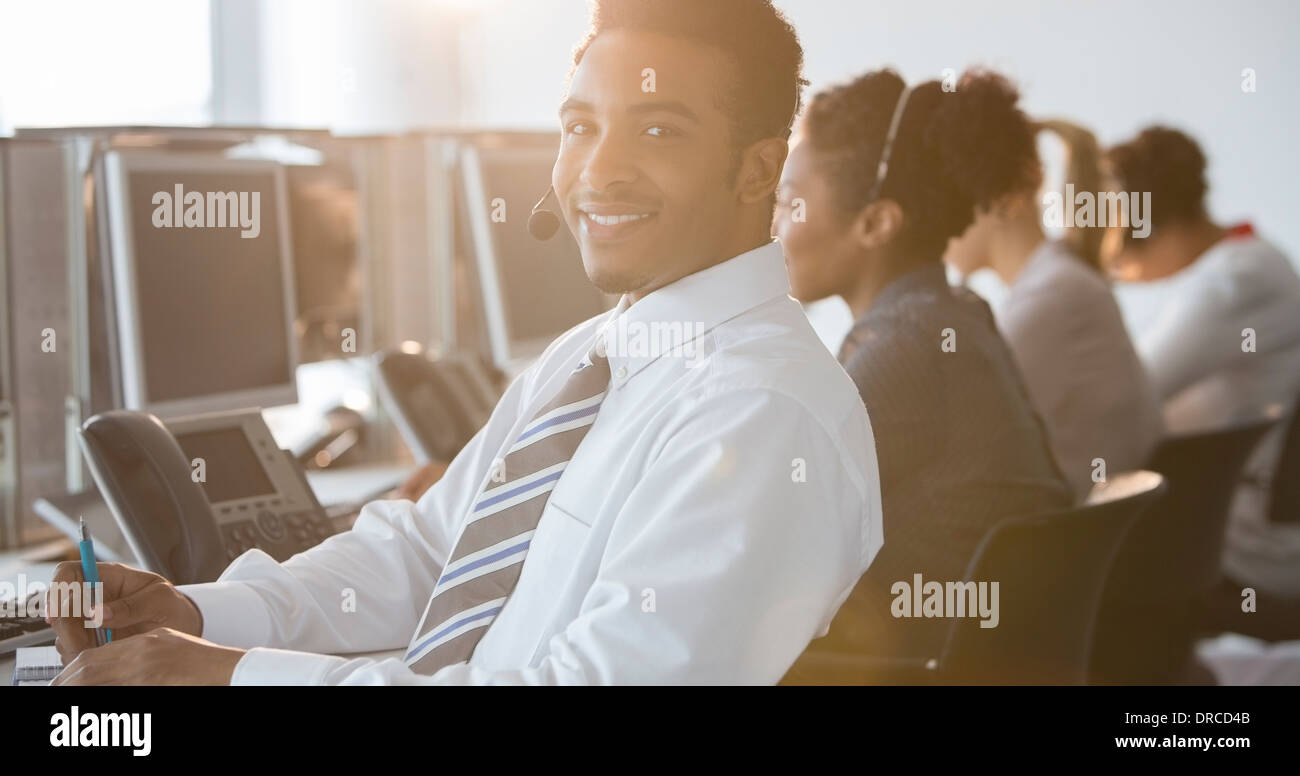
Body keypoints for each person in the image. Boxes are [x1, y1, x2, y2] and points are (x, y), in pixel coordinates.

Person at [47, 0, 883, 685]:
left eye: (657, 130)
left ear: (757, 170)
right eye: (581, 126)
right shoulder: (590, 357)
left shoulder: (764, 415)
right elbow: (426, 555)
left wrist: (227, 677)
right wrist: (197, 617)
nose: (599, 171)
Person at [775, 68, 1072, 680]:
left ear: (877, 223)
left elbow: (762, 523)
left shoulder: (907, 345)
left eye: (789, 200)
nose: (773, 225)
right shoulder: (953, 315)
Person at [1105, 126, 1300, 603]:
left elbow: (1128, 395)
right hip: (1224, 529)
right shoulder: (1248, 260)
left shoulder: (1235, 280)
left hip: (1243, 550)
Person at [944, 118, 1163, 499]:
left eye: (945, 195)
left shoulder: (1052, 299)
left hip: (1083, 544)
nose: (934, 219)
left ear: (1003, 198)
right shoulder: (1061, 284)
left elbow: (953, 437)